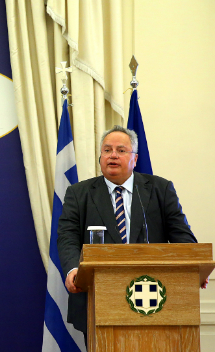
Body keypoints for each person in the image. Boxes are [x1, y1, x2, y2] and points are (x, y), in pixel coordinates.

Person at [57, 125, 206, 337]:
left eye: (121, 150)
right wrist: (73, 269)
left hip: (155, 296)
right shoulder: (79, 193)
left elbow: (181, 235)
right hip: (98, 296)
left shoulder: (160, 189)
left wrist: (195, 267)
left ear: (135, 159)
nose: (113, 156)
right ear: (100, 158)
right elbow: (67, 237)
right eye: (107, 150)